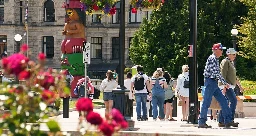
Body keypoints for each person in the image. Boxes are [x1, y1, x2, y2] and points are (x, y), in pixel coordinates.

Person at [198, 43, 238, 128]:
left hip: (213, 83)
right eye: (220, 50)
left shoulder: (216, 59)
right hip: (210, 82)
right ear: (215, 50)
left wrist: (224, 83)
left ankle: (228, 121)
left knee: (223, 101)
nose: (222, 52)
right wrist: (225, 83)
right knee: (206, 102)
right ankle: (201, 122)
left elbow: (217, 74)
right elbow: (215, 73)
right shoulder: (212, 58)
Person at [218, 48, 243, 127]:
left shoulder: (230, 62)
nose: (235, 56)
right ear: (228, 54)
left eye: (235, 54)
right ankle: (229, 119)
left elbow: (234, 77)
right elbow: (222, 74)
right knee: (233, 100)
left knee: (225, 103)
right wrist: (224, 86)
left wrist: (240, 86)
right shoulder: (225, 62)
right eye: (233, 54)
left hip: (230, 86)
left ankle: (221, 121)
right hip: (227, 85)